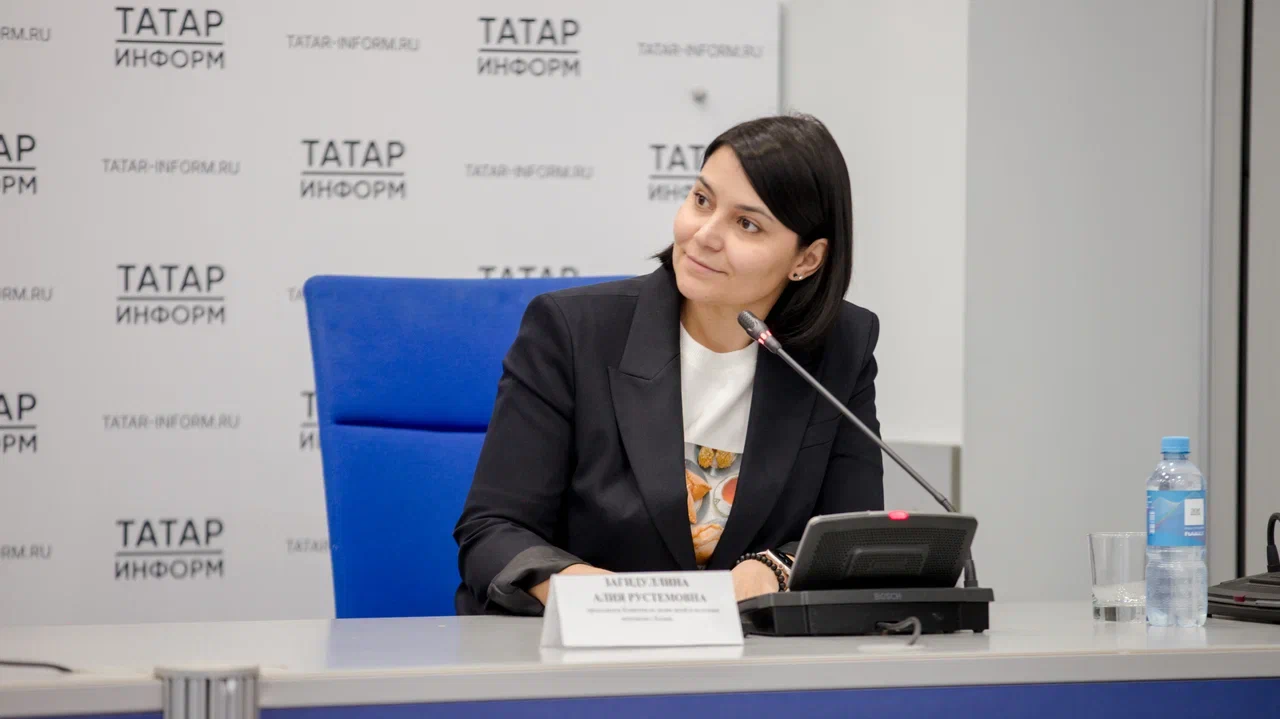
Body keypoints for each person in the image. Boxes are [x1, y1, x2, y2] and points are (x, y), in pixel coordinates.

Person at [454, 114, 884, 616]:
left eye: (747, 224)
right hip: (584, 645)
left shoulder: (840, 349)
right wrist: (604, 599)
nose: (704, 235)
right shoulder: (573, 332)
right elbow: (493, 532)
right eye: (702, 200)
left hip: (752, 652)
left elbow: (851, 539)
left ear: (806, 260)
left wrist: (773, 569)